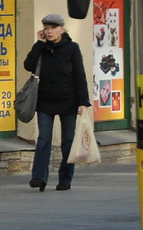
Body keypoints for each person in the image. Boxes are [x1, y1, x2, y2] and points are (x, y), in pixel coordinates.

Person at [24, 13, 92, 191]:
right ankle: (39, 177)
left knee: (68, 141)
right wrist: (39, 43)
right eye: (46, 28)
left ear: (62, 29)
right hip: (45, 101)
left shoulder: (72, 48)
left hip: (68, 101)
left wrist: (83, 102)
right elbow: (28, 65)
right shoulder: (42, 48)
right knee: (44, 138)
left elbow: (80, 75)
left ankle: (65, 179)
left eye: (53, 28)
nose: (49, 31)